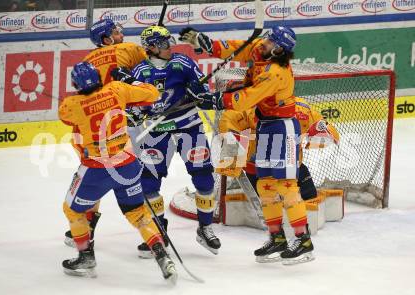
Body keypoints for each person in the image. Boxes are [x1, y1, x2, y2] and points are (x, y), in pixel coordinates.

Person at [180, 25, 315, 265]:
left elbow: (248, 98)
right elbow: (235, 49)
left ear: (279, 50)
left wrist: (214, 99)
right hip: (265, 126)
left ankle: (303, 241)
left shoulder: (276, 72)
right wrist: (205, 42)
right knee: (265, 185)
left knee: (285, 185)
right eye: (266, 39)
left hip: (282, 128)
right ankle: (277, 238)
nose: (264, 43)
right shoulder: (260, 50)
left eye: (270, 42)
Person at [58, 61, 177, 282]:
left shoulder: (72, 104)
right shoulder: (116, 88)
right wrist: (130, 79)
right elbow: (152, 94)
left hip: (97, 169)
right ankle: (162, 257)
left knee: (72, 210)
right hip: (128, 163)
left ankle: (85, 256)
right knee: (138, 213)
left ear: (75, 83)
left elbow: (65, 116)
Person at [119, 25, 221, 258]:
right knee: (148, 184)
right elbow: (133, 105)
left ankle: (205, 228)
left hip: (189, 126)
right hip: (157, 131)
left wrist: (200, 93)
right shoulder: (140, 72)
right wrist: (136, 113)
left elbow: (204, 94)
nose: (169, 47)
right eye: (164, 44)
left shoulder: (183, 63)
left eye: (169, 42)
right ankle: (159, 229)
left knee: (205, 178)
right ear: (151, 48)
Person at [64, 19, 148, 247]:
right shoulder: (128, 49)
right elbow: (150, 73)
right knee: (138, 172)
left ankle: (85, 227)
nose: (121, 34)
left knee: (94, 177)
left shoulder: (87, 61)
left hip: (87, 133)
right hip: (120, 125)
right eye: (115, 32)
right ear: (106, 39)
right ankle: (153, 231)